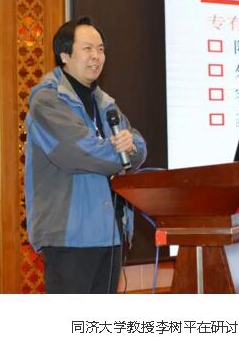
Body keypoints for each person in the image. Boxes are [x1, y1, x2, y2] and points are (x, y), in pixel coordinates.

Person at [24, 16, 147, 294]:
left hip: (111, 232)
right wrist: (123, 152)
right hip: (71, 237)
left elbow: (139, 144)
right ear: (64, 55)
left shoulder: (104, 101)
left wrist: (131, 146)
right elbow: (78, 152)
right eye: (88, 48)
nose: (96, 56)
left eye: (101, 49)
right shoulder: (48, 100)